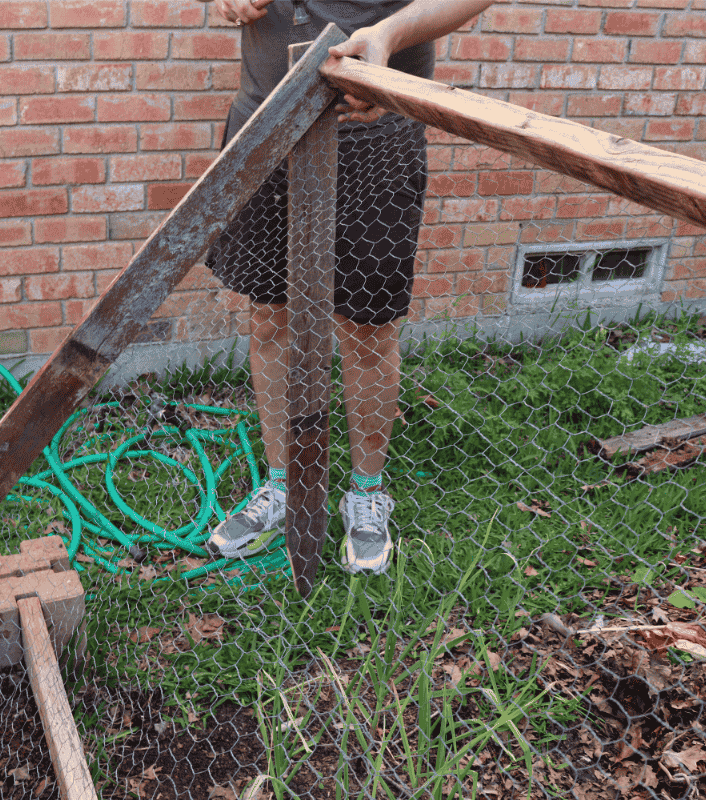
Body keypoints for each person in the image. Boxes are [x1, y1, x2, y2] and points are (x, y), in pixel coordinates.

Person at [204, 0, 494, 574]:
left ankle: (366, 493)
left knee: (366, 327)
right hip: (264, 117)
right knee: (270, 315)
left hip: (373, 126)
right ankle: (285, 486)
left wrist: (387, 33)